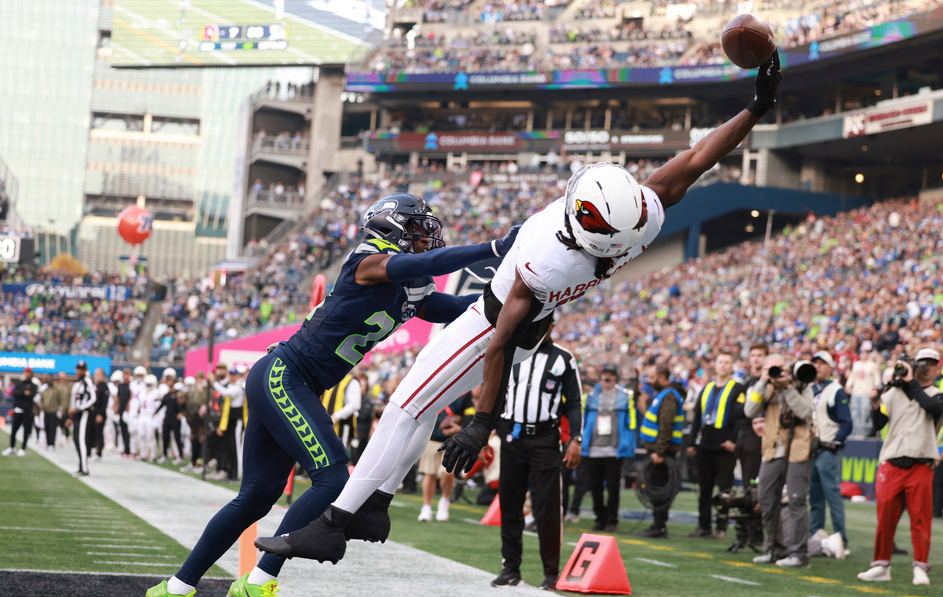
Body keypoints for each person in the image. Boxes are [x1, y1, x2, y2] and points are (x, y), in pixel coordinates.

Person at [259, 52, 785, 565]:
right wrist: (756, 108)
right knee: (421, 405)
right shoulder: (638, 218)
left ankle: (333, 525)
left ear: (584, 226)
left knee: (404, 406)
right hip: (521, 321)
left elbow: (500, 341)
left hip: (489, 325)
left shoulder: (552, 261)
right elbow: (698, 158)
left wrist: (482, 421)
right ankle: (377, 505)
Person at [144, 192, 519, 597]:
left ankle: (176, 590)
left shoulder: (413, 282)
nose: (427, 236)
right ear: (392, 227)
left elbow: (453, 309)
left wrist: (512, 307)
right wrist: (494, 249)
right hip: (286, 375)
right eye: (418, 227)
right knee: (333, 479)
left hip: (292, 381)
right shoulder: (369, 258)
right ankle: (258, 581)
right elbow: (422, 266)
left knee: (257, 496)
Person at [491, 320, 583, 589]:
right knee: (510, 504)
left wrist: (575, 439)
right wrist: (488, 432)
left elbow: (575, 402)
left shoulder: (564, 358)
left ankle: (551, 572)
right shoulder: (512, 351)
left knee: (547, 506)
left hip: (545, 439)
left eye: (544, 323)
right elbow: (494, 392)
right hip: (512, 436)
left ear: (552, 325)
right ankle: (510, 568)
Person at [857, 349, 943, 585]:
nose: (926, 368)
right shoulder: (895, 393)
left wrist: (909, 383)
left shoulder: (939, 394)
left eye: (930, 364)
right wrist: (876, 401)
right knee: (885, 516)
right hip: (893, 459)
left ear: (937, 368)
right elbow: (879, 423)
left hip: (921, 461)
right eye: (921, 364)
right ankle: (880, 565)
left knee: (921, 518)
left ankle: (920, 565)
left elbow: (931, 406)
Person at [744, 354, 816, 568]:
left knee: (796, 500)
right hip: (773, 448)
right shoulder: (763, 387)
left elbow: (805, 411)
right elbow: (750, 411)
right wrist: (763, 382)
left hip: (798, 447)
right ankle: (774, 549)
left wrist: (787, 388)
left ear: (787, 369)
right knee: (766, 498)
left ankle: (799, 553)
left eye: (778, 368)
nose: (775, 372)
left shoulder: (800, 383)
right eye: (770, 368)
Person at [686, 352, 745, 540]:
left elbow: (740, 418)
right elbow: (697, 417)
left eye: (727, 362)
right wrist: (692, 442)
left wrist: (733, 441)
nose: (723, 365)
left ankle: (721, 527)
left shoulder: (738, 389)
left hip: (724, 447)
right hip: (705, 445)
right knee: (704, 489)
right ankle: (703, 526)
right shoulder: (707, 388)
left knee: (724, 491)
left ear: (732, 366)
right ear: (715, 365)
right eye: (720, 362)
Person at [576, 364, 635, 533]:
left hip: (614, 448)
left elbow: (630, 422)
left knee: (613, 487)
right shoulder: (591, 396)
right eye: (604, 377)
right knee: (594, 486)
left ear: (616, 379)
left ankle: (612, 519)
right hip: (594, 448)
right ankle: (599, 517)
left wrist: (627, 444)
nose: (606, 380)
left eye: (610, 377)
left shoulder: (624, 397)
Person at [809, 351, 852, 554]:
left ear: (830, 367)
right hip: (812, 449)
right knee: (814, 495)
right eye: (815, 363)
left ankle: (842, 539)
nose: (817, 367)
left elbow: (846, 421)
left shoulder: (836, 390)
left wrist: (836, 441)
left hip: (827, 448)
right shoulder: (810, 389)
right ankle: (814, 536)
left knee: (832, 493)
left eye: (822, 363)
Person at [636, 363, 685, 539]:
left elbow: (666, 426)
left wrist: (660, 452)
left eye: (652, 377)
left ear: (662, 377)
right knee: (655, 487)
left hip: (661, 453)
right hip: (658, 451)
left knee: (660, 489)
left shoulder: (669, 396)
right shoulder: (664, 394)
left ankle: (659, 526)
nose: (650, 381)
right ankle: (657, 524)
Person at [728, 343, 767, 552]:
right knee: (746, 486)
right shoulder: (746, 383)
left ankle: (757, 531)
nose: (756, 359)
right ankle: (746, 531)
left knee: (756, 486)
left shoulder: (768, 383)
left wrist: (748, 410)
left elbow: (754, 409)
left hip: (759, 438)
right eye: (753, 355)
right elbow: (737, 410)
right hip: (743, 438)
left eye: (760, 355)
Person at [417, 391, 475, 522]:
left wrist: (460, 428)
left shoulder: (465, 392)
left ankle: (444, 500)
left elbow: (470, 413)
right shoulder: (435, 387)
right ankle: (426, 507)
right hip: (432, 436)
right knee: (429, 473)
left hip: (453, 440)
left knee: (447, 473)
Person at [67, 361, 97, 477]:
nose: (79, 371)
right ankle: (81, 467)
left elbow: (93, 399)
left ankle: (84, 469)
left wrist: (79, 408)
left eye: (81, 369)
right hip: (77, 415)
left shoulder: (87, 382)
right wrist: (71, 415)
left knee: (81, 440)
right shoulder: (77, 383)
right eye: (78, 369)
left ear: (85, 370)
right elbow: (73, 401)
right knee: (76, 440)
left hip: (84, 414)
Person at [3, 368, 37, 456]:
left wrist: (21, 393)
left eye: (29, 372)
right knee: (14, 430)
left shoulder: (33, 385)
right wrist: (24, 393)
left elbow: (31, 396)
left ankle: (23, 448)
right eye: (26, 372)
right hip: (18, 410)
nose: (27, 374)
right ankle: (12, 447)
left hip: (27, 411)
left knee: (26, 430)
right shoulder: (19, 384)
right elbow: (15, 394)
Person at [88, 368, 110, 459]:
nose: (96, 375)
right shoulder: (94, 386)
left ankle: (99, 452)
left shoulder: (104, 387)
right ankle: (90, 450)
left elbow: (104, 402)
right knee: (91, 432)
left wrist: (100, 414)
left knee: (99, 433)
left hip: (99, 414)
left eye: (98, 374)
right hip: (93, 413)